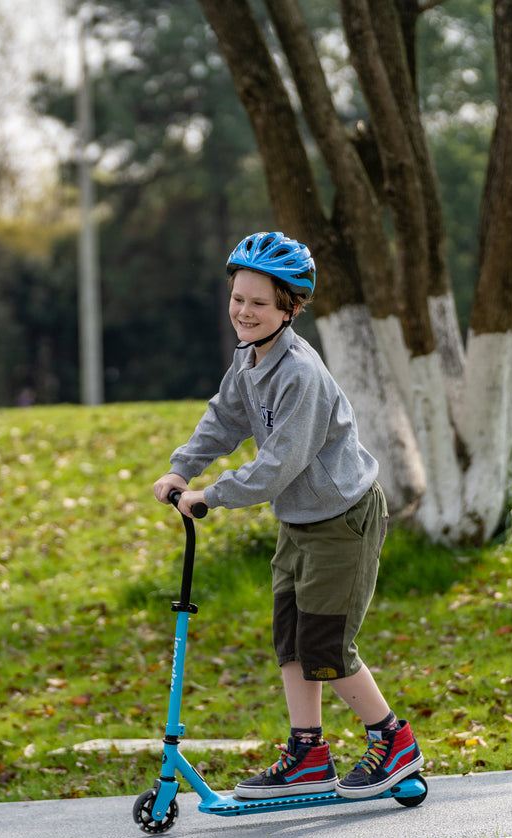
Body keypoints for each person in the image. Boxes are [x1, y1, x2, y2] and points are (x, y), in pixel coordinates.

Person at [151, 230, 423, 801]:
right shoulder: (250, 360)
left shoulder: (300, 374)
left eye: (258, 303)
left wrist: (213, 495)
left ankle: (394, 742)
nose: (243, 312)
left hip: (342, 520)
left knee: (326, 644)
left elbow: (279, 464)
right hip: (300, 522)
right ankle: (308, 753)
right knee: (292, 641)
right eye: (238, 299)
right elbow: (224, 419)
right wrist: (183, 469)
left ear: (289, 307)